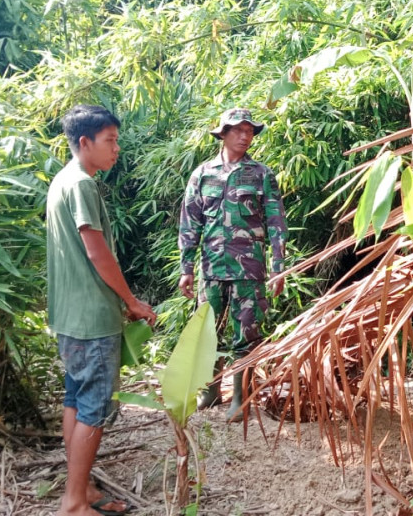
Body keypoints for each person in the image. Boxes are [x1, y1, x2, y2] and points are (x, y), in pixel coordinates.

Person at [47, 104, 157, 516]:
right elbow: (97, 252)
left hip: (70, 315)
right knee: (93, 407)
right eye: (110, 141)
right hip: (92, 319)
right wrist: (130, 301)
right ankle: (74, 503)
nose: (117, 148)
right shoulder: (82, 186)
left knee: (75, 398)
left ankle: (84, 489)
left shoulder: (63, 179)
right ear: (85, 142)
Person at [178, 107, 288, 421]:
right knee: (207, 331)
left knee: (248, 332)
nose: (244, 136)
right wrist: (186, 268)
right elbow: (190, 223)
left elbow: (276, 222)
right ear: (223, 134)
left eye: (249, 131)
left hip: (249, 270)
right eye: (238, 130)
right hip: (211, 269)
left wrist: (279, 267)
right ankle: (210, 390)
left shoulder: (262, 174)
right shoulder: (202, 174)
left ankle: (241, 396)